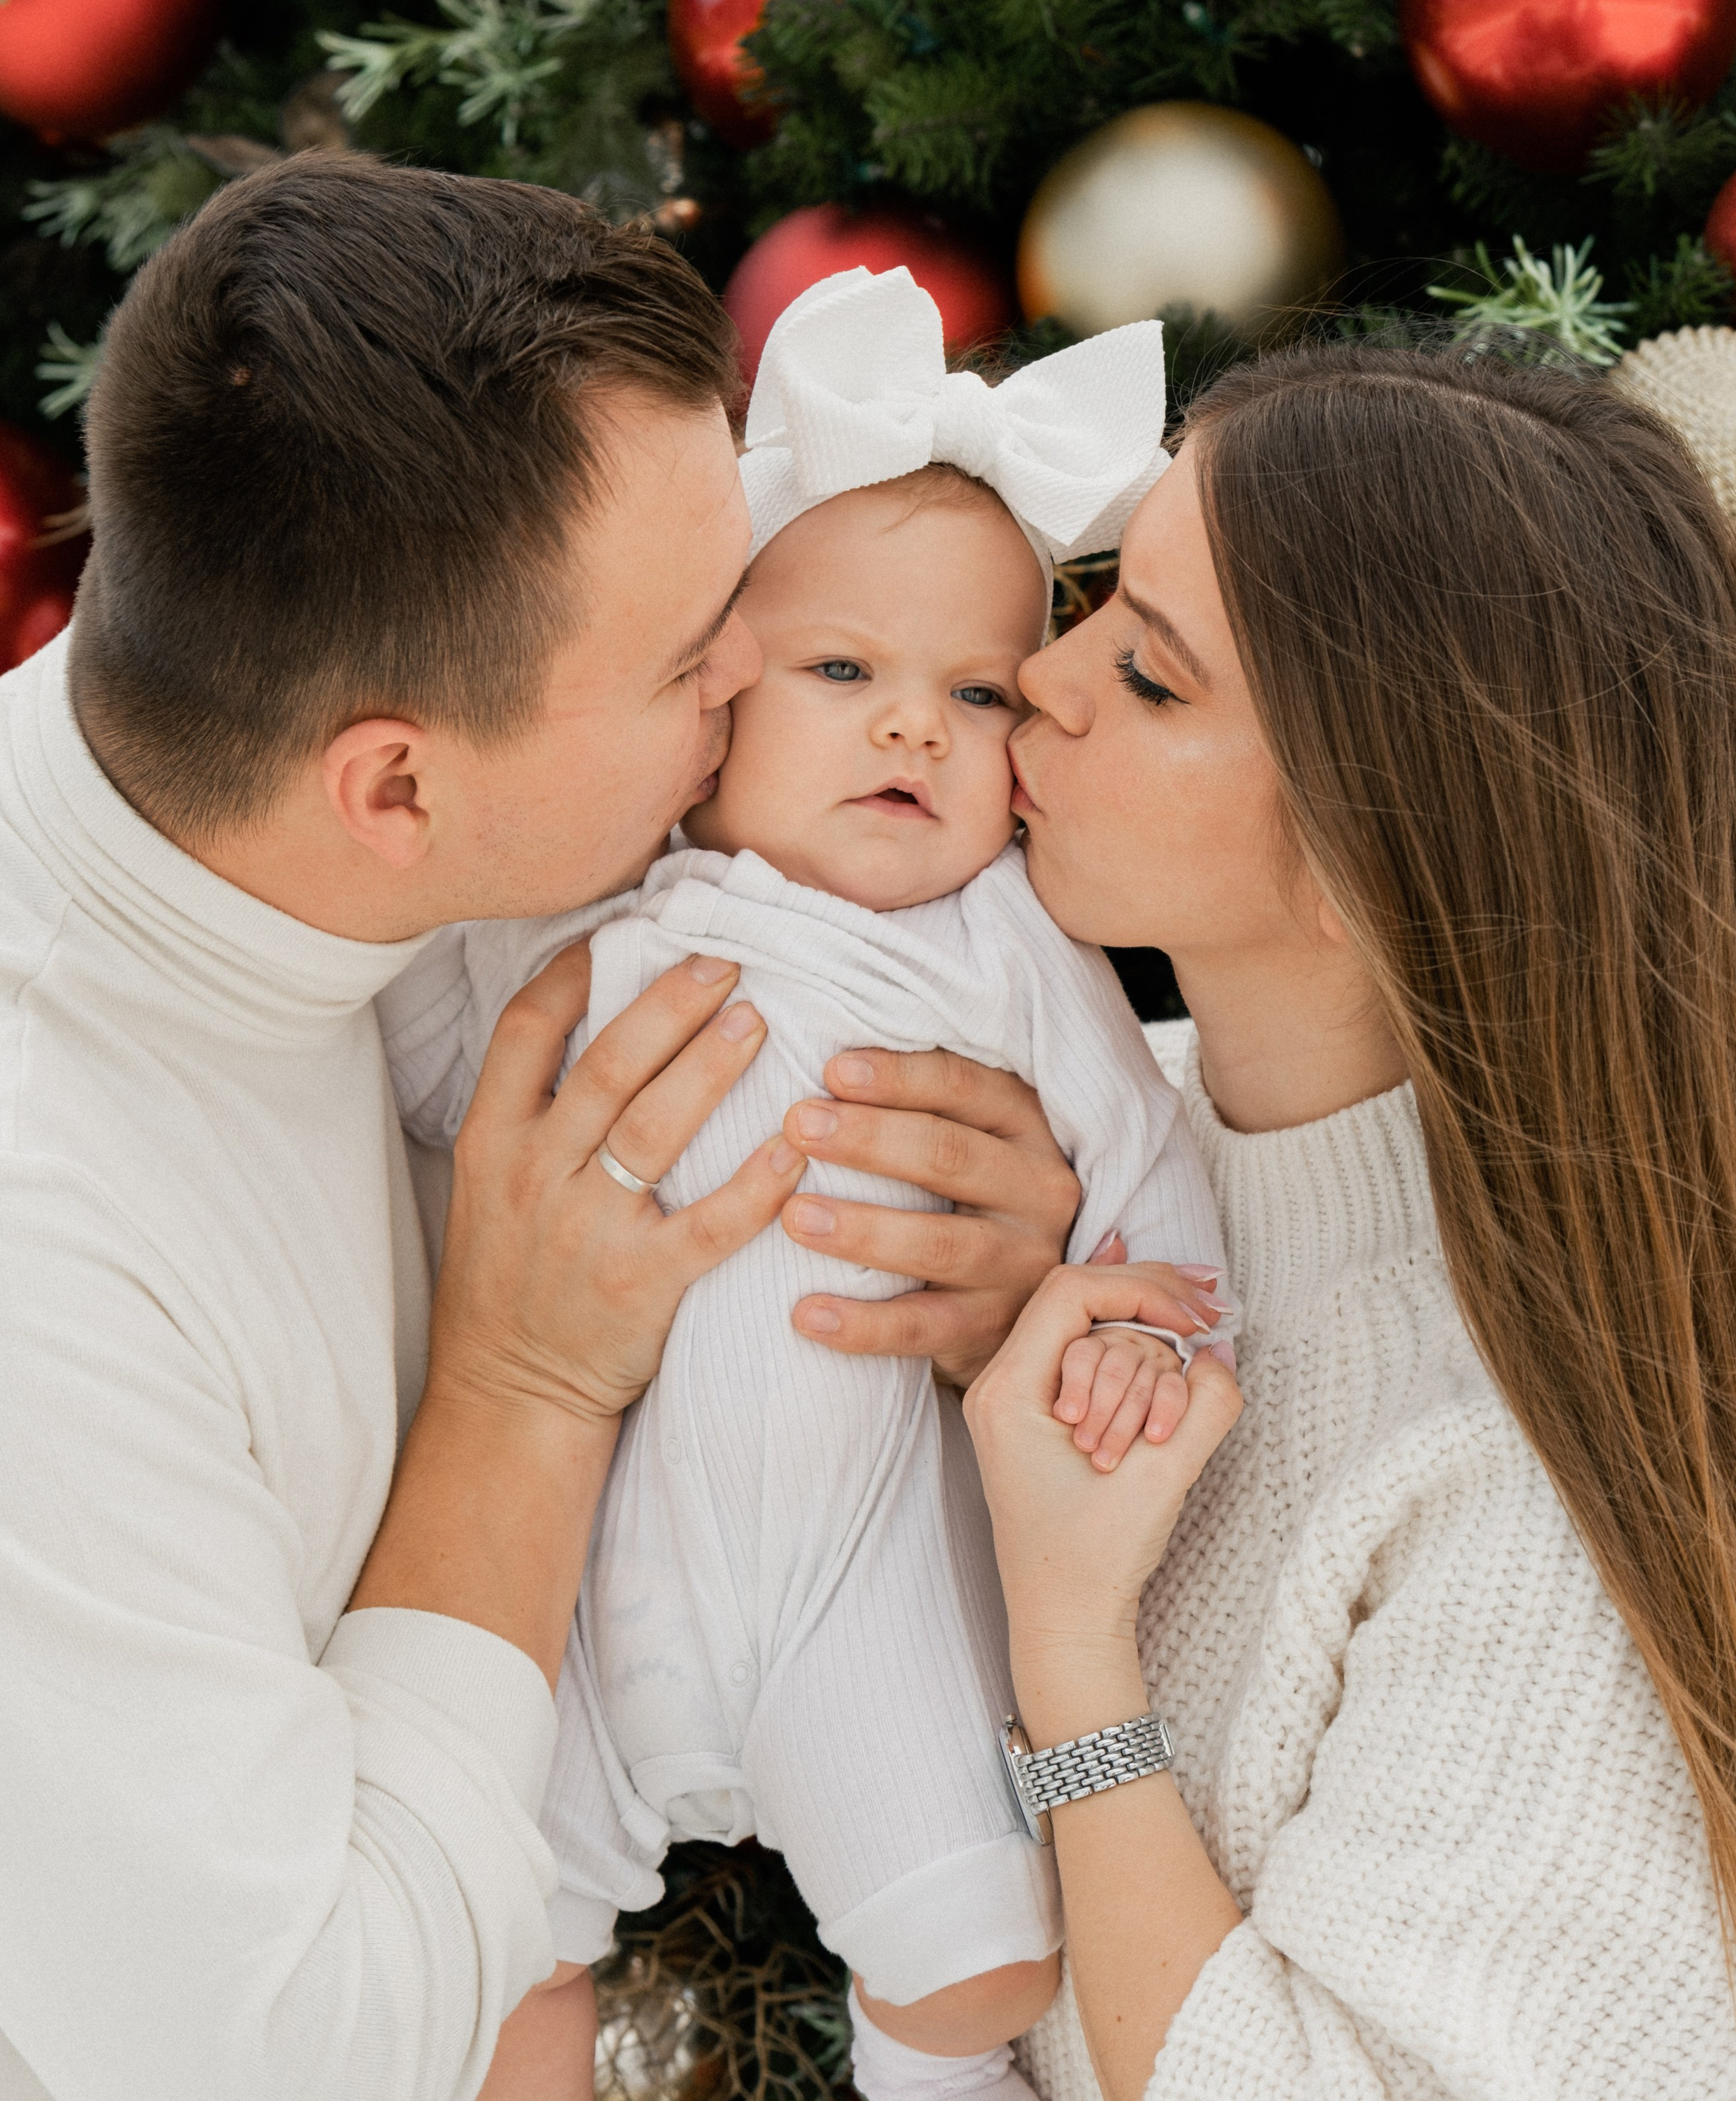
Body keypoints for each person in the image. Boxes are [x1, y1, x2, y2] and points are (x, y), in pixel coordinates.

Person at [0, 153, 1086, 2101]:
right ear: (397, 791)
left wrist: (1009, 1220)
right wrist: (522, 1383)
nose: (765, 681)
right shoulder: (41, 1242)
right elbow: (285, 2058)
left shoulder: (361, 819)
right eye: (694, 662)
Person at [387, 267, 1232, 2101]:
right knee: (475, 1946)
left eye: (978, 692)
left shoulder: (1002, 948)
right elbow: (432, 1059)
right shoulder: (600, 888)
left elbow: (1149, 1160)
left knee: (972, 1977)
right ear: (715, 707)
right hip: (592, 1570)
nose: (913, 729)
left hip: (858, 1577)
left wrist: (1145, 1326)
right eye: (844, 673)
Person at [956, 343, 1736, 2100]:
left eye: (1151, 678)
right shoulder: (1078, 1154)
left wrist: (1071, 1649)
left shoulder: (1516, 1486)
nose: (1034, 674)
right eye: (1097, 601)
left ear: (1364, 851)